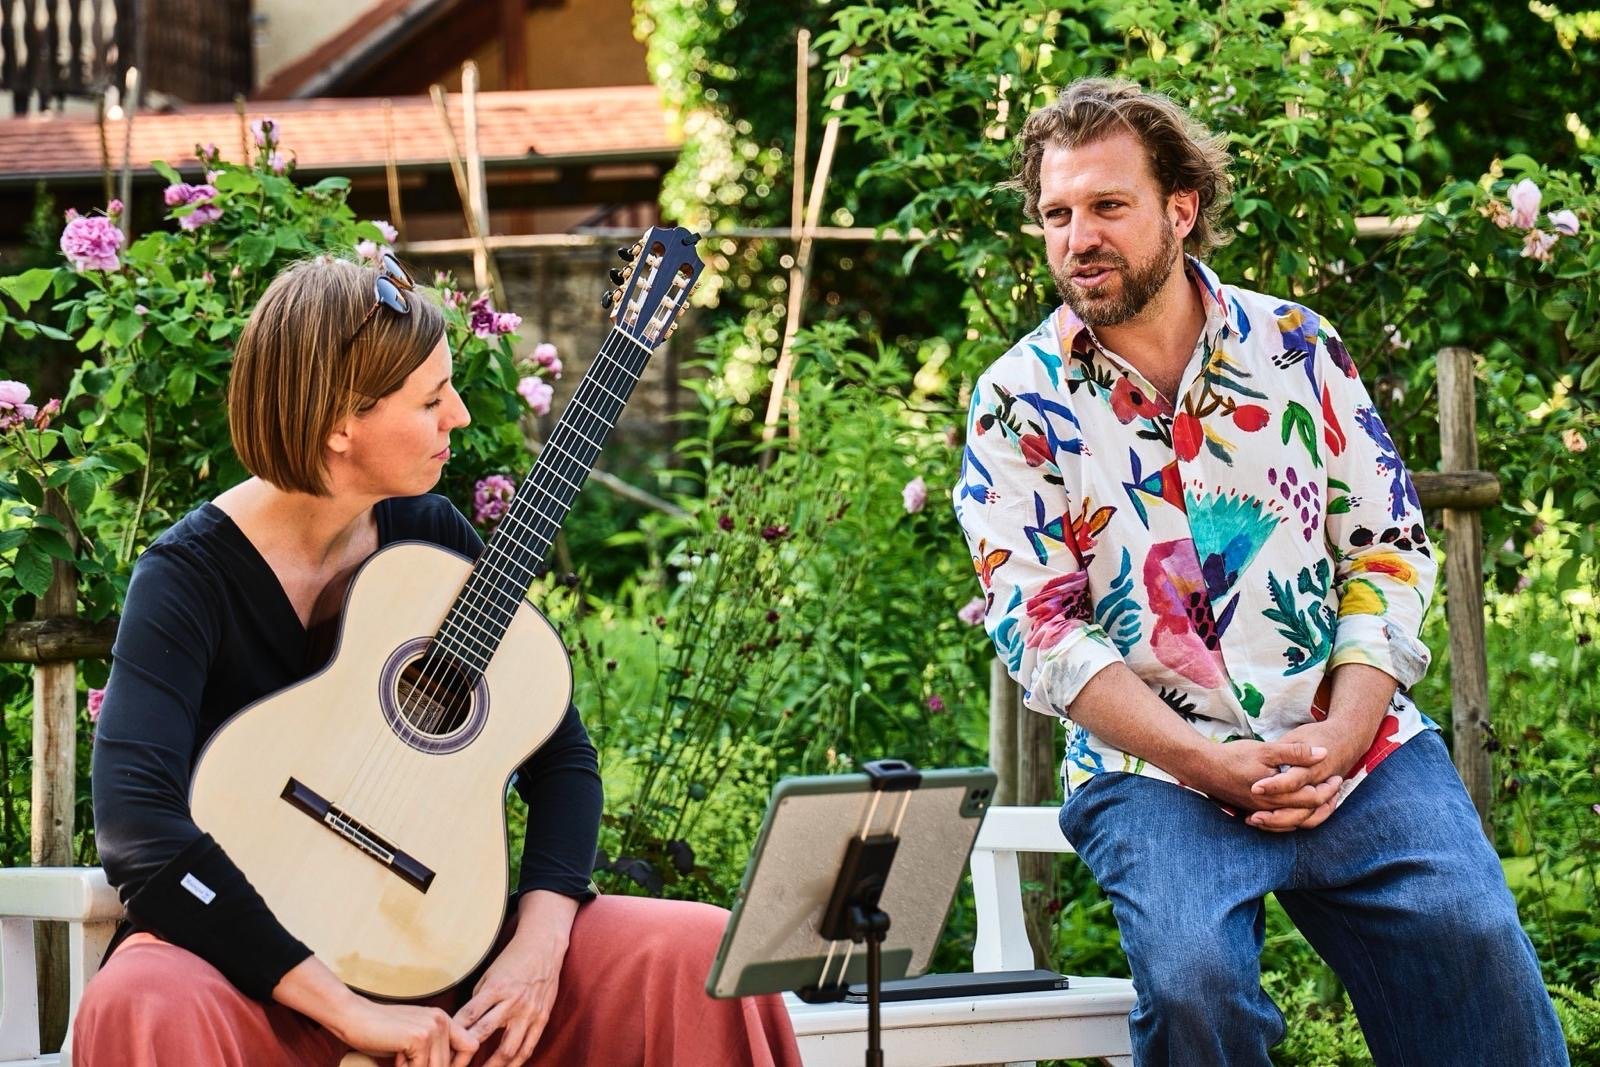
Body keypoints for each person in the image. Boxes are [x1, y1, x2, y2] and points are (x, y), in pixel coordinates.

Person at [953, 78, 1569, 1066]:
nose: (1079, 237)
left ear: (1180, 209)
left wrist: (1343, 727)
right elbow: (1042, 629)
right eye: (1056, 214)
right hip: (1154, 769)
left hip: (1349, 742)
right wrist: (1204, 762)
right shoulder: (1016, 402)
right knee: (1195, 977)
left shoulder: (1297, 346)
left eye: (1108, 205)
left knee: (1473, 932)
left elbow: (1385, 543)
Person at [75, 254, 802, 1067]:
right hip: (256, 971)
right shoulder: (187, 578)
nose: (457, 414)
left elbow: (563, 760)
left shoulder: (431, 538)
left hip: (439, 946)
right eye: (430, 400)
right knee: (141, 998)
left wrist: (540, 942)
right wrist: (346, 1010)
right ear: (339, 424)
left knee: (695, 953)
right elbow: (141, 833)